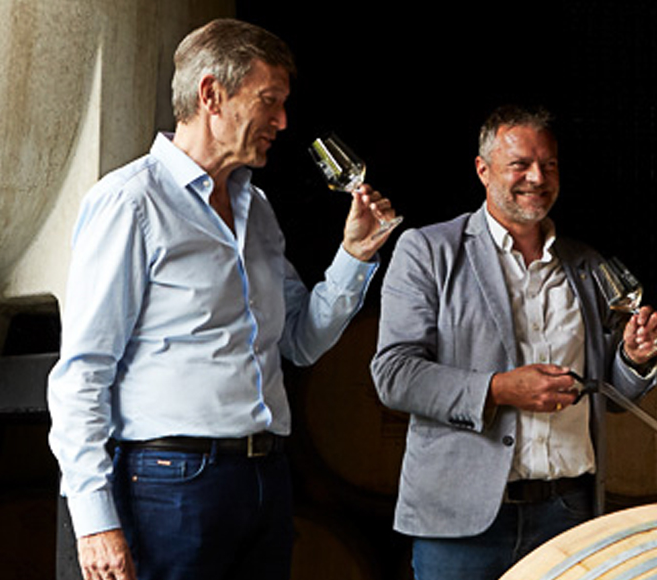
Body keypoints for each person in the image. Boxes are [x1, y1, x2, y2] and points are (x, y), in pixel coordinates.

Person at [46, 19, 399, 580]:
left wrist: (353, 256)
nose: (282, 121)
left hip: (264, 478)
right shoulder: (131, 203)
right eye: (269, 101)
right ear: (211, 94)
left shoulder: (257, 210)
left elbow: (301, 342)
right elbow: (83, 372)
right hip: (169, 481)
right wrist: (93, 521)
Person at [370, 105, 657, 580]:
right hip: (461, 520)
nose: (537, 178)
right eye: (520, 164)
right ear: (483, 170)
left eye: (549, 165)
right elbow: (395, 376)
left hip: (567, 514)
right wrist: (500, 389)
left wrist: (634, 358)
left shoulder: (587, 265)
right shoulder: (428, 251)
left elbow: (609, 394)